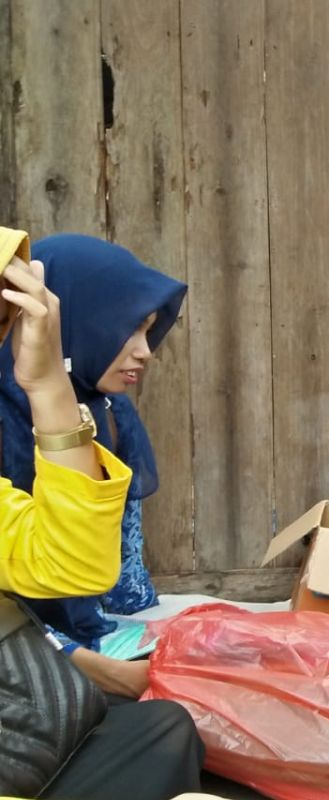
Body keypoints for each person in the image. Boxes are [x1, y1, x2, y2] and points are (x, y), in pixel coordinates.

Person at [0, 232, 202, 799]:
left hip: (54, 661)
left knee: (180, 714)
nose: (145, 350)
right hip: (35, 667)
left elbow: (102, 569)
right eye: (127, 327)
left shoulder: (102, 410)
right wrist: (89, 663)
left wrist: (49, 387)